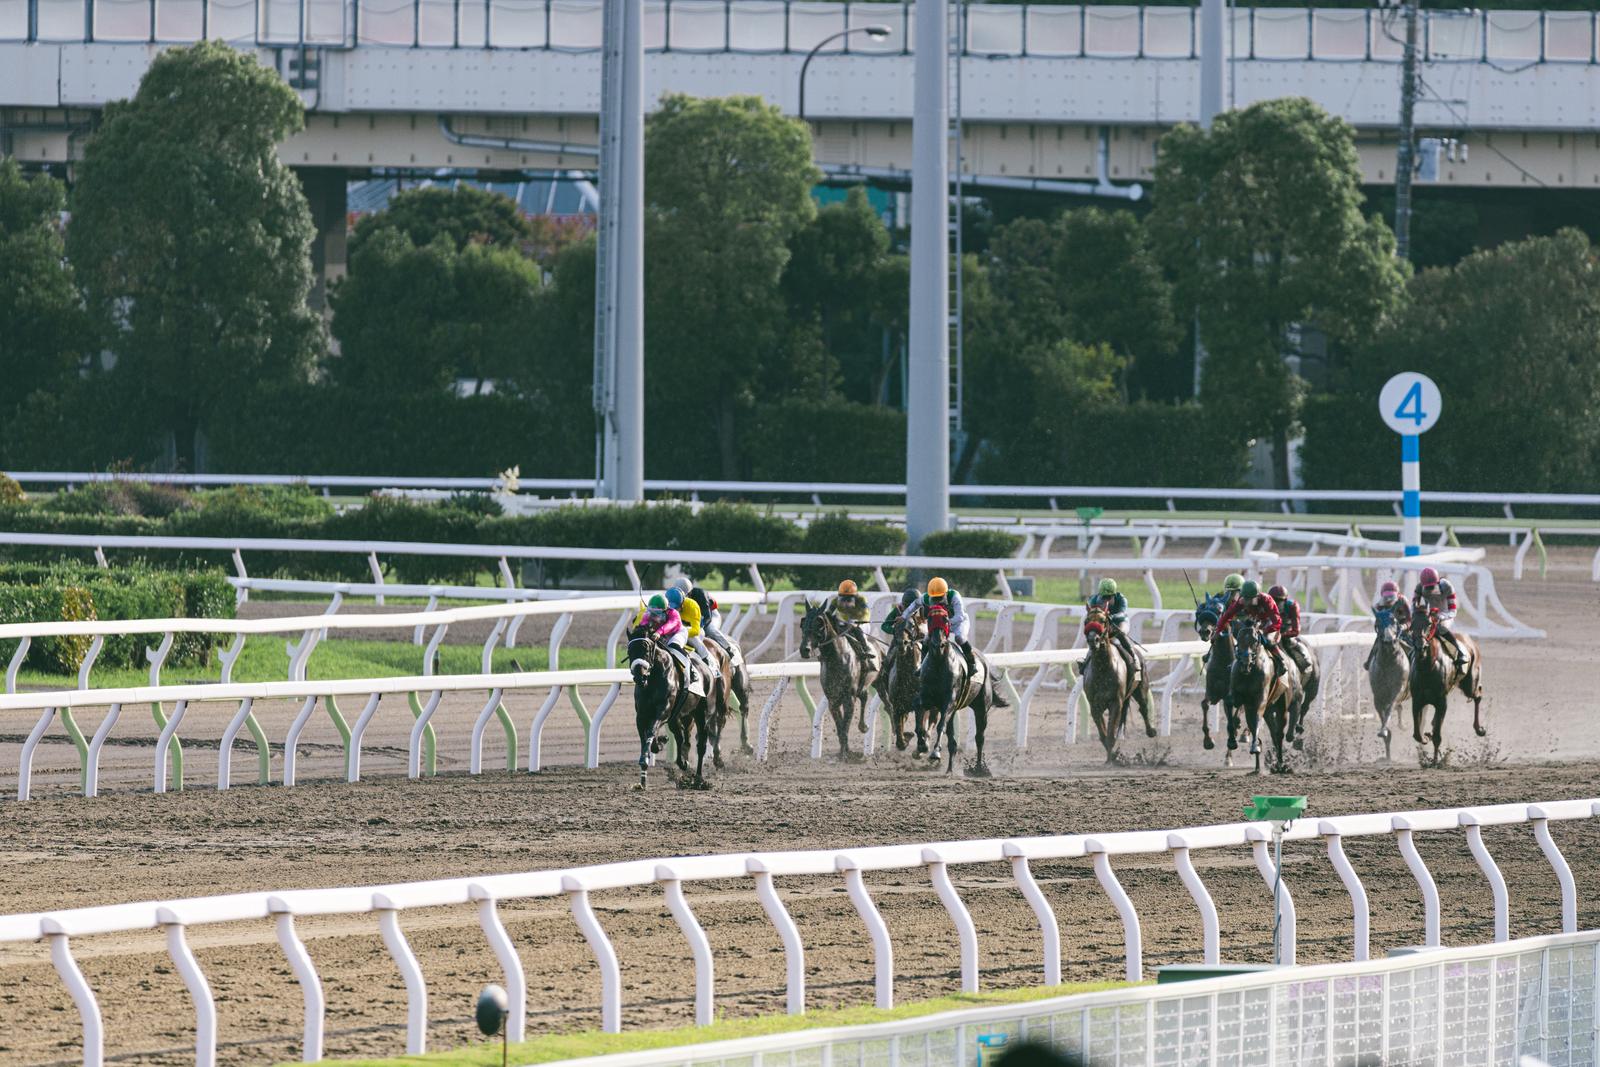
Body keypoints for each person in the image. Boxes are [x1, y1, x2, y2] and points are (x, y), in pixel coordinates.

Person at [1213, 579, 1286, 672]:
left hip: (1270, 623)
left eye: (1250, 599)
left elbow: (1277, 622)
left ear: (1258, 596)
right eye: (1245, 598)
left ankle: (1281, 661)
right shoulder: (1241, 601)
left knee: (1268, 639)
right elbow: (1226, 617)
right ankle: (1238, 661)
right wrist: (1217, 631)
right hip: (1256, 622)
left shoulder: (1267, 600)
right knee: (1244, 637)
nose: (1246, 602)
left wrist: (1264, 630)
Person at [1411, 566, 1467, 669]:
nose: (1429, 590)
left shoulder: (1447, 586)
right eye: (1427, 588)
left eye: (1432, 587)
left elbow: (1453, 611)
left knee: (1440, 628)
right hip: (1429, 616)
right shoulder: (1419, 588)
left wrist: (1441, 616)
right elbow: (1413, 607)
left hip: (1446, 616)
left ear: (1437, 582)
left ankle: (1460, 652)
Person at [1086, 578, 1142, 677]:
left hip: (1120, 622)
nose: (1106, 600)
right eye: (1104, 597)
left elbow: (1122, 613)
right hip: (1104, 622)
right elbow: (1090, 610)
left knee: (1120, 634)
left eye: (1109, 597)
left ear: (1114, 594)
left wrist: (1111, 616)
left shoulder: (1121, 599)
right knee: (1094, 638)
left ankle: (1134, 658)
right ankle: (1085, 662)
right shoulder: (1094, 599)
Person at [674, 575, 737, 662]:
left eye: (685, 596)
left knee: (710, 630)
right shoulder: (675, 596)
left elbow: (707, 617)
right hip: (693, 618)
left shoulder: (700, 595)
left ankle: (729, 648)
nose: (683, 599)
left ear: (690, 592)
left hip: (711, 615)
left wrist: (699, 628)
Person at [1365, 580, 1413, 669]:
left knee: (1413, 646)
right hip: (1389, 631)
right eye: (1386, 597)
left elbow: (1410, 620)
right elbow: (1377, 623)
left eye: (1391, 596)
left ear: (1397, 595)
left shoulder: (1403, 602)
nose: (1389, 600)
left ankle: (1414, 666)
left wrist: (1403, 627)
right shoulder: (1379, 606)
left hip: (1403, 630)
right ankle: (1369, 662)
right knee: (1377, 642)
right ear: (1382, 596)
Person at [1266, 584, 1312, 674]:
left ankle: (1304, 662)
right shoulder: (1265, 604)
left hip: (1287, 630)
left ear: (1285, 600)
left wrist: (1282, 635)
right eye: (1273, 600)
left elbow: (1296, 630)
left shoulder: (1292, 606)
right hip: (1272, 629)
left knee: (1290, 642)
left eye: (1279, 601)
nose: (1275, 603)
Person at [635, 594, 689, 668]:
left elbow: (669, 625)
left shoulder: (674, 613)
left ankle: (690, 668)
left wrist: (658, 632)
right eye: (652, 612)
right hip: (662, 634)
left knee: (673, 644)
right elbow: (643, 625)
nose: (654, 616)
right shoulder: (648, 614)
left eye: (657, 613)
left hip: (677, 633)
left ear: (666, 610)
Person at [665, 586, 713, 668]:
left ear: (682, 603)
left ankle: (706, 658)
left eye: (677, 608)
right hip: (677, 629)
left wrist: (680, 631)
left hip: (694, 630)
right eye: (671, 608)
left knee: (692, 637)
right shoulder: (665, 607)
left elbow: (696, 630)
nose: (674, 611)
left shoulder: (692, 606)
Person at [827, 579, 874, 660]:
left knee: (857, 629)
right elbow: (827, 614)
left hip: (861, 623)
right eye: (843, 599)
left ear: (855, 597)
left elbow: (866, 613)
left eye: (849, 599)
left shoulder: (862, 599)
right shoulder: (835, 601)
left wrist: (859, 622)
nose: (845, 602)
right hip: (845, 623)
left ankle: (866, 648)